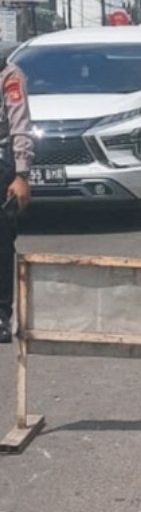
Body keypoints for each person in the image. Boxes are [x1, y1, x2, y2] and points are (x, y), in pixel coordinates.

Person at [0, 58, 32, 345]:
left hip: (2, 167)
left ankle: (1, 315)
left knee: (1, 242)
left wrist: (21, 173)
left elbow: (19, 125)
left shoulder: (9, 76)